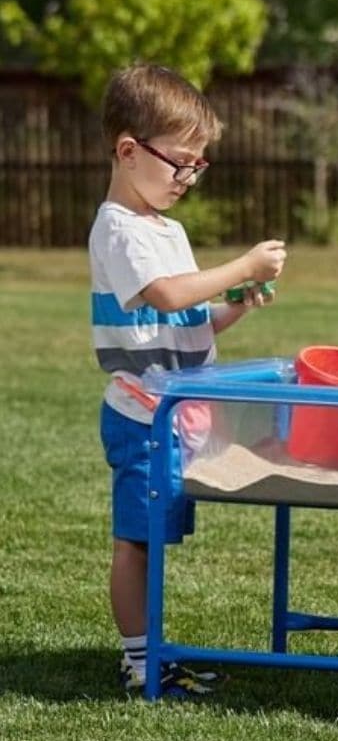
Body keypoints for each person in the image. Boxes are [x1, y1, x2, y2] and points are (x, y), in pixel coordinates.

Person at [89, 63, 287, 698]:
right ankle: (141, 663)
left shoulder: (165, 229)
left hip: (172, 414)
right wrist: (243, 261)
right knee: (136, 543)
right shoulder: (118, 228)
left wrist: (234, 300)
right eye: (181, 163)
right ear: (129, 150)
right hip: (141, 416)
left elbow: (189, 320)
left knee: (154, 538)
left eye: (198, 166)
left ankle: (156, 655)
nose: (189, 178)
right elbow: (169, 294)